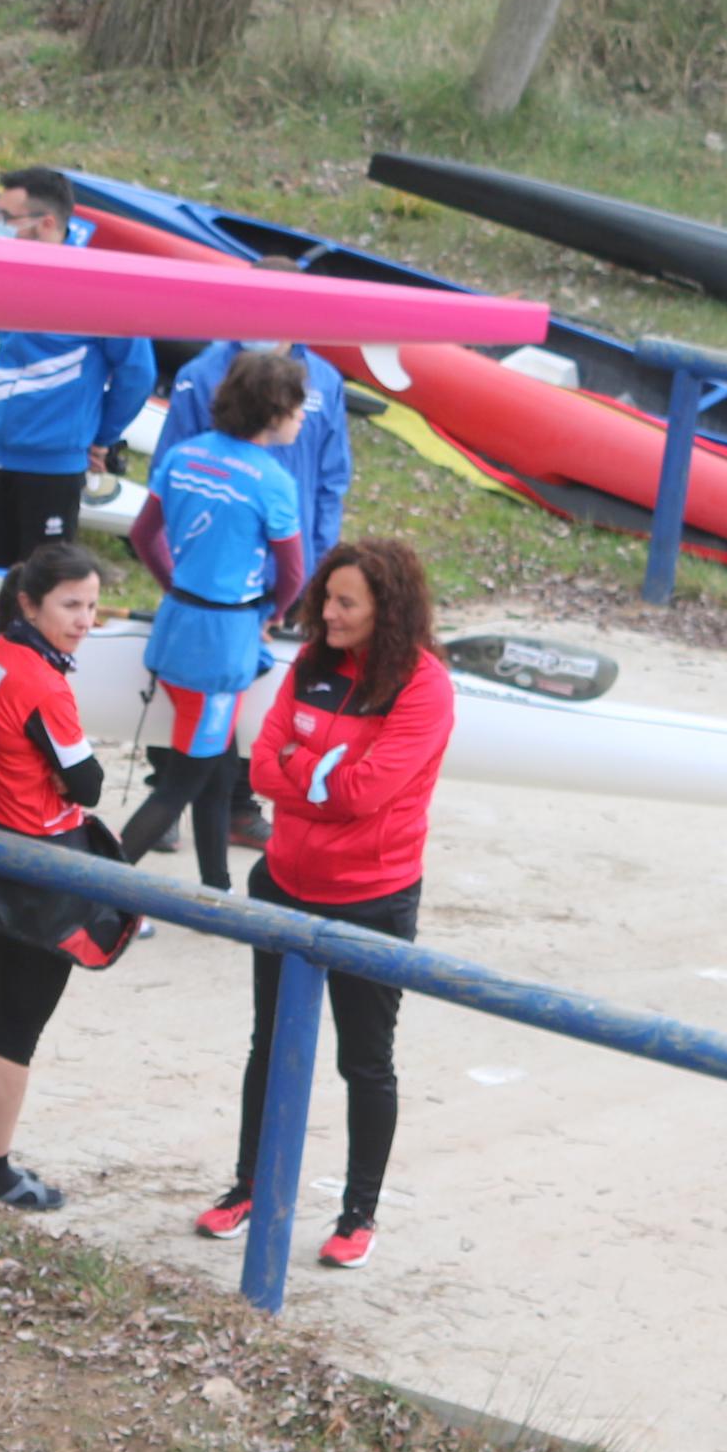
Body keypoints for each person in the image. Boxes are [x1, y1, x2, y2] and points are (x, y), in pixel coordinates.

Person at [192, 536, 454, 1272]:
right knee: (268, 1045)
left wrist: (301, 774)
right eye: (325, 598)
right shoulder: (310, 665)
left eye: (345, 603)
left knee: (363, 1063)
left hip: (371, 900)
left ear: (387, 609)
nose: (326, 613)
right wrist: (314, 776)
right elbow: (260, 763)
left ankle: (357, 1214)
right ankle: (249, 1187)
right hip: (281, 885)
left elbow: (362, 792)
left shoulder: (423, 687)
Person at [0, 543, 117, 1213]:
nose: (84, 620)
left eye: (92, 605)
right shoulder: (42, 681)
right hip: (39, 866)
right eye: (70, 605)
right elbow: (89, 784)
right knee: (17, 1030)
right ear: (28, 603)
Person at [113, 349, 308, 895]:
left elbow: (142, 535)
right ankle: (92, 889)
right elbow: (294, 570)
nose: (302, 417)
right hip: (222, 649)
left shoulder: (183, 454)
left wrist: (174, 583)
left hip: (177, 626)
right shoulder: (272, 480)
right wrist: (272, 613)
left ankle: (215, 893)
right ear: (273, 411)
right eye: (298, 407)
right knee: (180, 785)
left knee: (219, 770)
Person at [0, 168, 149, 574]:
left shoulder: (102, 289)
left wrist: (101, 437)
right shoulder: (8, 268)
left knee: (39, 589)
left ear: (46, 224)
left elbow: (137, 375)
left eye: (7, 218)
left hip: (51, 469)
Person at [167, 337, 353, 596]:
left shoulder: (325, 380)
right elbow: (171, 483)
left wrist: (321, 563)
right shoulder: (201, 375)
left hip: (293, 572)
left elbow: (331, 483)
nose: (299, 416)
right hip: (217, 575)